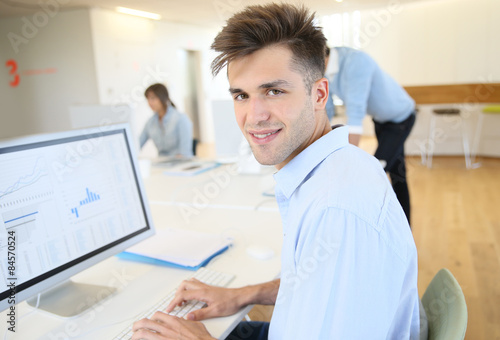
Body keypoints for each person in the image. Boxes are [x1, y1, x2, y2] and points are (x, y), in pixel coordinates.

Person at [131, 4, 423, 340]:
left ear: (320, 95)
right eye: (241, 95)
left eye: (274, 91)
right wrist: (244, 294)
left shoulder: (337, 210)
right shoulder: (329, 170)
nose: (254, 116)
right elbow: (316, 282)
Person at [325, 46, 416, 223]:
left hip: (401, 119)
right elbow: (327, 110)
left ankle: (377, 229)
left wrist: (347, 160)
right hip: (380, 121)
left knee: (374, 174)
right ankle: (405, 227)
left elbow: (356, 112)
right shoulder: (323, 70)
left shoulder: (355, 61)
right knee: (398, 175)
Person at [139, 83, 194, 157]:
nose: (150, 103)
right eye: (148, 99)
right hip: (161, 165)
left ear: (163, 97)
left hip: (181, 164)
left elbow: (185, 152)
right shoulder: (150, 122)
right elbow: (138, 144)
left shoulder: (181, 119)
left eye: (153, 98)